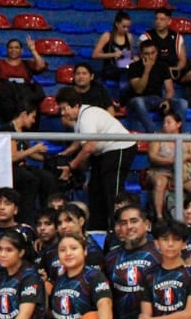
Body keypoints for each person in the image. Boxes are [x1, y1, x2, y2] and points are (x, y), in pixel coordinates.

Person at [55, 87, 136, 230]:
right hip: (104, 153)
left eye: (64, 108)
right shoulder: (79, 120)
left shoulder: (87, 116)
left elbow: (89, 147)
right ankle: (98, 230)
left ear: (75, 106)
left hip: (119, 148)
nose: (63, 113)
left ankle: (119, 229)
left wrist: (71, 166)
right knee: (95, 191)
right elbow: (79, 142)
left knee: (114, 192)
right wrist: (65, 154)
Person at [140, 8, 191, 111]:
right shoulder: (146, 37)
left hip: (173, 72)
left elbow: (182, 60)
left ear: (169, 21)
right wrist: (163, 70)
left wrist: (176, 69)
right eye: (157, 19)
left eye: (162, 19)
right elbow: (143, 59)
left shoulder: (177, 37)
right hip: (155, 72)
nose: (158, 22)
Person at [145, 107, 191, 219]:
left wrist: (187, 156)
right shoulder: (158, 137)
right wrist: (174, 161)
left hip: (181, 173)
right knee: (161, 182)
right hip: (160, 171)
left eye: (169, 122)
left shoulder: (187, 138)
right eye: (164, 122)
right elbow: (152, 157)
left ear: (178, 124)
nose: (165, 125)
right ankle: (159, 216)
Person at [0, 37, 47, 126]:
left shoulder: (27, 64)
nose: (13, 50)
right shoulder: (0, 64)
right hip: (2, 106)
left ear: (21, 50)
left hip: (23, 106)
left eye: (16, 47)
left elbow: (41, 66)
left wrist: (33, 50)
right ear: (7, 49)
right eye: (11, 47)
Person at [124, 37, 175, 133]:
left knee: (182, 103)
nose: (150, 56)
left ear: (157, 53)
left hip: (157, 99)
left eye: (153, 53)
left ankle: (178, 135)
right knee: (138, 101)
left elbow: (170, 89)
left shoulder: (162, 66)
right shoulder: (133, 67)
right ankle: (154, 133)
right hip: (138, 99)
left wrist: (167, 101)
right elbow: (139, 90)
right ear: (141, 54)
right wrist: (147, 70)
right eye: (147, 54)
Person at [92, 12, 136, 85]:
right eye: (124, 26)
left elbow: (131, 56)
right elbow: (95, 55)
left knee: (132, 70)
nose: (126, 29)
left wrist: (134, 58)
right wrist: (113, 54)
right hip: (110, 67)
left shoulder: (129, 36)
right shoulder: (107, 36)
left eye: (128, 27)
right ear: (117, 24)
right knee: (125, 74)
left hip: (124, 65)